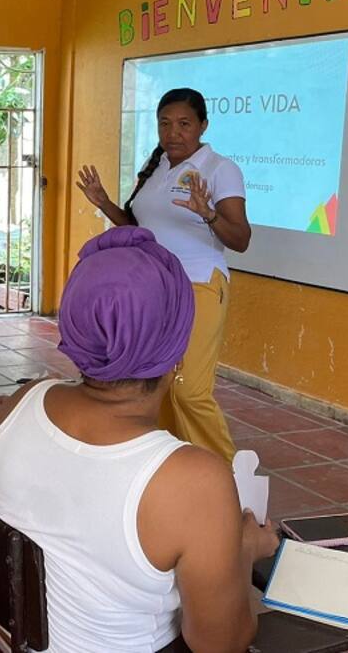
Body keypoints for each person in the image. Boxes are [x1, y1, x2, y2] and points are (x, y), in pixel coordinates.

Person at [0, 227, 278, 653]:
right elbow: (220, 644)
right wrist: (243, 549)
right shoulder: (194, 481)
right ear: (177, 349)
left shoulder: (23, 401)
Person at [76, 87, 250, 462]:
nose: (174, 132)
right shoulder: (156, 169)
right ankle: (179, 463)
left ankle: (226, 474)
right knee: (160, 381)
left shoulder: (220, 169)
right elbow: (137, 228)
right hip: (158, 289)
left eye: (185, 124)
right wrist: (104, 201)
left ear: (203, 125)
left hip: (201, 283)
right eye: (165, 123)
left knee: (190, 389)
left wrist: (209, 214)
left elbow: (241, 239)